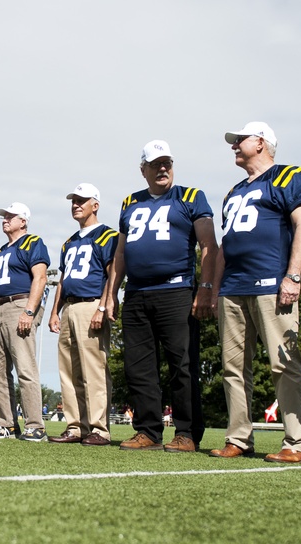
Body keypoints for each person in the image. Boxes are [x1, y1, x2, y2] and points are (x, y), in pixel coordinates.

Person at [211, 121, 301, 463]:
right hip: (233, 288)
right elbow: (226, 245)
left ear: (261, 142)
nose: (234, 146)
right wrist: (215, 289)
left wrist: (293, 276)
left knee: (284, 363)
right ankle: (239, 438)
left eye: (240, 140)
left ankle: (297, 443)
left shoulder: (290, 175)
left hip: (271, 284)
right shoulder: (234, 191)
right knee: (233, 368)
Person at [106, 141, 218, 453]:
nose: (162, 168)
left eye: (167, 162)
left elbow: (209, 244)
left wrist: (207, 288)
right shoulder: (130, 201)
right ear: (143, 170)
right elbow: (120, 252)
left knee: (182, 364)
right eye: (155, 164)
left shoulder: (191, 197)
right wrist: (111, 294)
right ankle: (148, 430)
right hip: (138, 293)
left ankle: (186, 432)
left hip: (176, 289)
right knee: (138, 367)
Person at [47, 183, 119, 447]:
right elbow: (63, 279)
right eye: (73, 201)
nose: (76, 205)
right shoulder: (69, 242)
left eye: (82, 200)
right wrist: (55, 310)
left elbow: (113, 273)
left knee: (94, 370)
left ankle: (100, 428)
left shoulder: (107, 236)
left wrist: (104, 305)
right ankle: (75, 426)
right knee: (69, 371)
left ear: (95, 205)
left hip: (91, 304)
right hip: (69, 307)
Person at [0, 202, 50, 441]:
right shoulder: (0, 251)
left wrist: (29, 311)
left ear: (23, 221)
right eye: (4, 216)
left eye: (11, 216)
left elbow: (40, 277)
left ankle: (35, 424)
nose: (5, 219)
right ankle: (7, 424)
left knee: (25, 366)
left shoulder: (33, 242)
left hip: (19, 304)